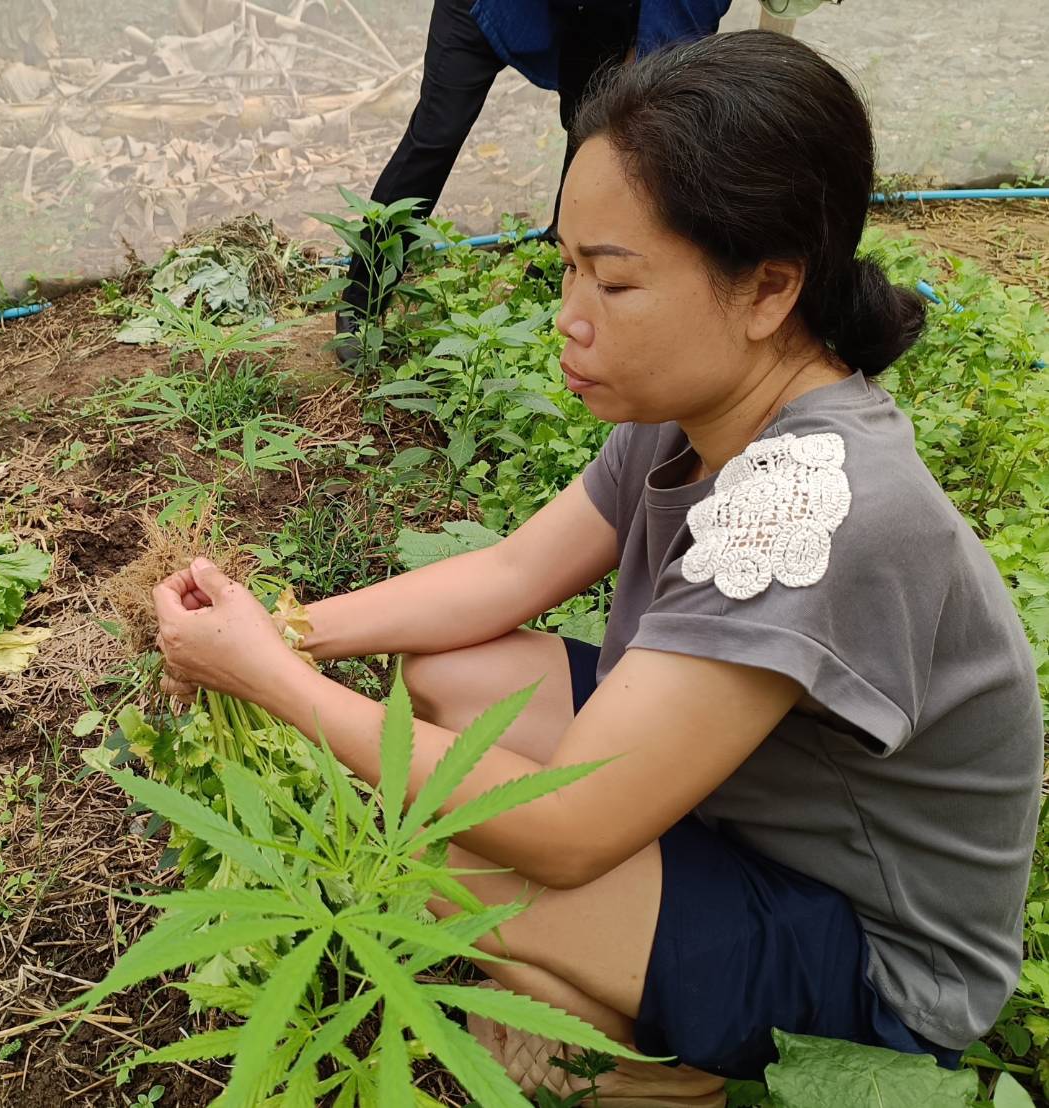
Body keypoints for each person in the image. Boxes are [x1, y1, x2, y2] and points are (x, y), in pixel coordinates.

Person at [153, 30, 1043, 1100]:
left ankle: (674, 1075)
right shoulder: (700, 404)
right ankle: (624, 989)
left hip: (868, 957)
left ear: (767, 288)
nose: (568, 320)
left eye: (613, 283)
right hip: (747, 821)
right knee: (454, 680)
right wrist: (288, 628)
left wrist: (270, 681)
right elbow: (508, 574)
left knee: (433, 837)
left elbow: (566, 832)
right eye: (567, 266)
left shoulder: (804, 503)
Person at [336, 0, 734, 364]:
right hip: (482, 6)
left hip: (598, 16)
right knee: (435, 135)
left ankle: (556, 261)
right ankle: (362, 297)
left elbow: (670, 49)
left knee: (592, 136)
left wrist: (647, 75)